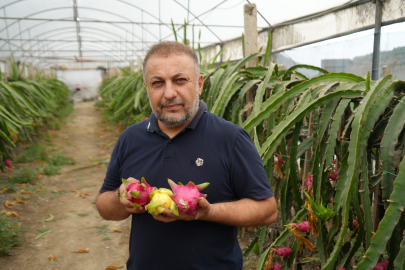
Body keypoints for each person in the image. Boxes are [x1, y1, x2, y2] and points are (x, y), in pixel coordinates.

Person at [96, 41, 278, 270]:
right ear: (147, 88)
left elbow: (267, 210)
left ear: (199, 84)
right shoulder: (130, 138)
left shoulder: (230, 138)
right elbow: (104, 206)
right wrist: (121, 199)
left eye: (180, 80)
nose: (169, 93)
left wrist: (209, 211)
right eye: (157, 83)